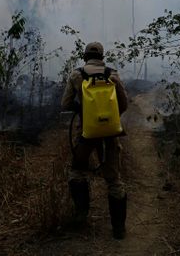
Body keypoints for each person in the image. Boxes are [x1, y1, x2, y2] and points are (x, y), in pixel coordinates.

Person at [61, 41, 129, 239]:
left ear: (85, 56)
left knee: (76, 172)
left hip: (86, 134)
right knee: (114, 179)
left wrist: (85, 112)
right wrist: (109, 119)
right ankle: (118, 229)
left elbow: (65, 104)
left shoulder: (76, 75)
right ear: (102, 56)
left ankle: (81, 215)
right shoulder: (113, 74)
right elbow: (124, 104)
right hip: (111, 133)